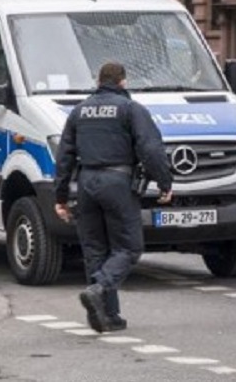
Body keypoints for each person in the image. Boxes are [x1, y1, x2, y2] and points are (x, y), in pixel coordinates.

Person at [54, 62, 173, 333]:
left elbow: (64, 157)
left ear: (99, 81)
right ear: (123, 82)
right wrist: (164, 183)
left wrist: (60, 196)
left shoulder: (79, 111)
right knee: (129, 248)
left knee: (95, 250)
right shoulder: (130, 109)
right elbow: (151, 149)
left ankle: (108, 315)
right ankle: (99, 288)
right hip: (118, 182)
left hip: (86, 183)